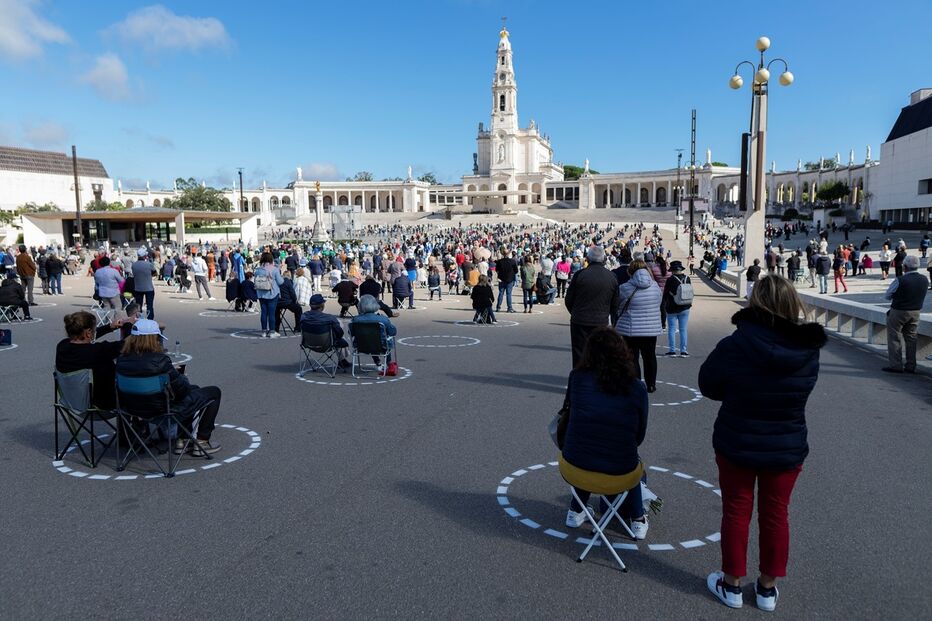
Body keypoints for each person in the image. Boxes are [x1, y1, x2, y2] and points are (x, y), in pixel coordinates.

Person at [699, 276, 825, 612]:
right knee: (776, 515)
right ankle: (767, 589)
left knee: (736, 512)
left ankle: (732, 585)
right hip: (786, 442)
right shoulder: (807, 349)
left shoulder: (737, 343)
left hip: (738, 438)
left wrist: (737, 390)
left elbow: (708, 384)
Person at [560, 327, 649, 539]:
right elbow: (640, 435)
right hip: (620, 472)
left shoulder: (577, 378)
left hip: (573, 467)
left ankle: (576, 510)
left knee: (587, 449)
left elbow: (568, 412)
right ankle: (637, 519)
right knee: (633, 461)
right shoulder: (636, 388)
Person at [116, 319, 222, 456]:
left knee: (194, 389)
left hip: (133, 409)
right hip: (162, 410)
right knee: (213, 392)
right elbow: (183, 391)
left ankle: (183, 440)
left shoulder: (122, 360)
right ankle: (202, 441)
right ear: (153, 339)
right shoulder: (160, 360)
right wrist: (180, 376)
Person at [55, 311, 125, 409]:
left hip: (71, 401)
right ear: (88, 332)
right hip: (100, 405)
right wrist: (130, 326)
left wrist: (109, 327)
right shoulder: (97, 351)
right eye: (94, 330)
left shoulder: (62, 346)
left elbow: (83, 336)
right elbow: (126, 345)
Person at [565, 246, 619, 367]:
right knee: (600, 353)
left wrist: (575, 312)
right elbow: (615, 303)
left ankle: (579, 381)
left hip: (580, 319)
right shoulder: (611, 277)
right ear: (604, 259)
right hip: (601, 320)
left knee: (579, 353)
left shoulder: (580, 275)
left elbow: (569, 299)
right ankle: (598, 381)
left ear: (588, 258)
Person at [615, 259, 663, 392]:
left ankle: (637, 384)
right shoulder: (655, 286)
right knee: (650, 356)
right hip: (651, 329)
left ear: (630, 271)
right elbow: (659, 302)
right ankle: (651, 384)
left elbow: (618, 305)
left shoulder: (625, 287)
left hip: (630, 328)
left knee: (632, 358)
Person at [882, 255, 929, 374]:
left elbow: (887, 296)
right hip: (916, 311)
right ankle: (911, 365)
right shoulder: (924, 279)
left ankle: (896, 365)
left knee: (894, 337)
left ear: (905, 267)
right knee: (911, 338)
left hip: (899, 311)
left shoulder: (900, 280)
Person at [299, 294, 351, 369]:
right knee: (339, 330)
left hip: (308, 344)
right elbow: (339, 333)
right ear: (322, 305)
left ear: (310, 305)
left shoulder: (303, 317)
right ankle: (342, 360)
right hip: (327, 345)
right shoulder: (330, 318)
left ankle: (342, 360)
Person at [351, 294, 398, 369]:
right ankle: (388, 362)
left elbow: (351, 333)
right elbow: (392, 332)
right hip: (381, 345)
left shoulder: (355, 320)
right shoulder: (383, 319)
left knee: (370, 338)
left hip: (361, 345)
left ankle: (377, 361)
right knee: (381, 339)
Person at [663, 260, 692, 357]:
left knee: (672, 329)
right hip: (685, 306)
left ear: (672, 270)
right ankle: (683, 351)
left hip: (672, 307)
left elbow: (665, 294)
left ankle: (672, 351)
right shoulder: (687, 278)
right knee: (683, 329)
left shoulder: (670, 279)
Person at [254, 252, 285, 338]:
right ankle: (272, 331)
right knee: (271, 313)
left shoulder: (258, 269)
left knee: (264, 312)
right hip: (272, 293)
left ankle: (264, 331)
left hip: (261, 293)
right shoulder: (274, 269)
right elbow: (280, 282)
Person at [131, 247, 157, 319]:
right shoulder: (149, 264)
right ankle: (150, 319)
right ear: (145, 256)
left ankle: (139, 319)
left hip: (138, 287)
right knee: (149, 305)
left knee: (138, 305)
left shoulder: (134, 265)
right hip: (148, 287)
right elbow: (155, 273)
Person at [495, 247, 518, 313]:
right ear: (508, 254)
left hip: (502, 279)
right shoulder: (512, 261)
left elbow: (497, 270)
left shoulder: (499, 261)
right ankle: (509, 308)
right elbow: (516, 271)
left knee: (501, 293)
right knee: (509, 294)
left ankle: (498, 307)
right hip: (509, 279)